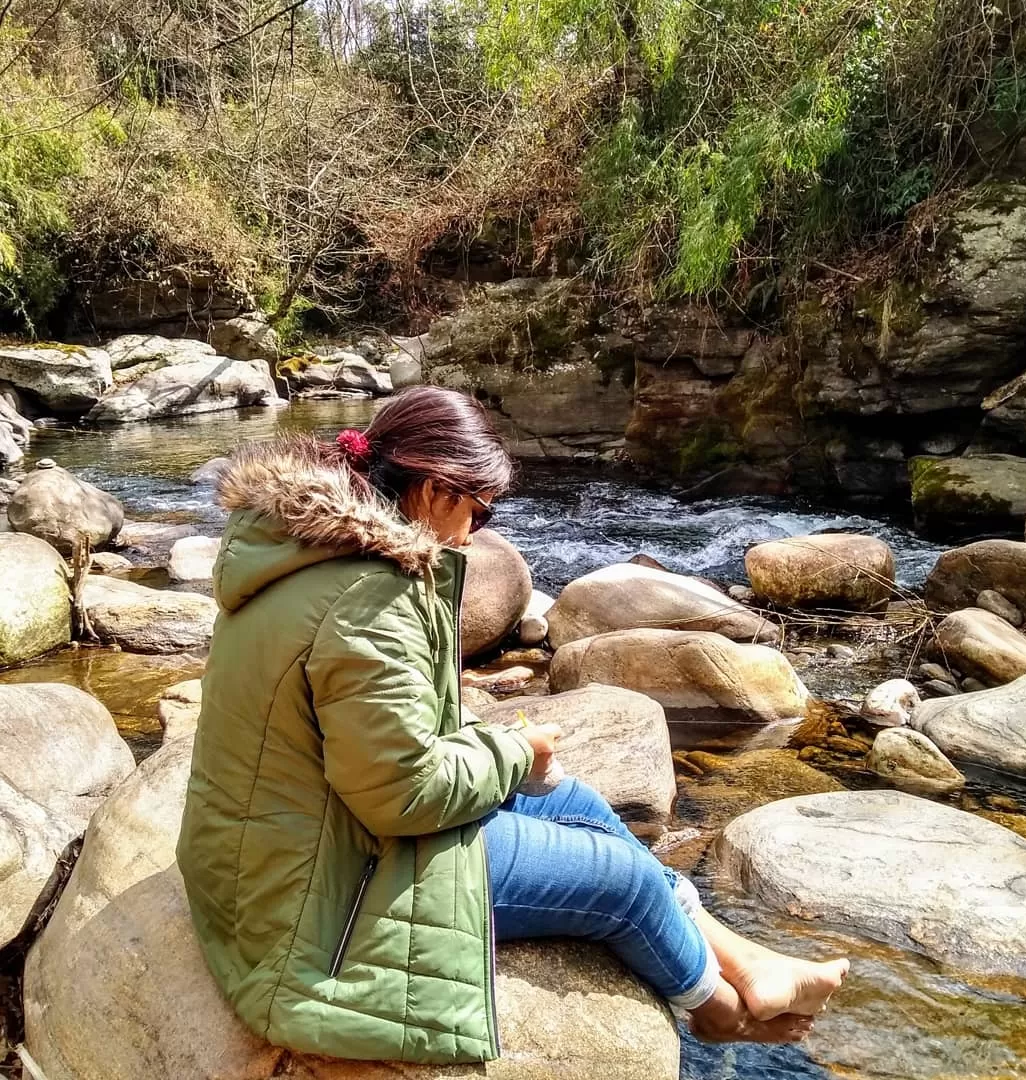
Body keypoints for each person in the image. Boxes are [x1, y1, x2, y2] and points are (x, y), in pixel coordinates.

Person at [176, 385, 848, 1066]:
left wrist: (503, 754)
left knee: (575, 801)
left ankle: (735, 954)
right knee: (621, 878)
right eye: (478, 507)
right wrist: (509, 749)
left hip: (290, 832)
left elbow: (377, 739)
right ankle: (716, 1010)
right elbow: (401, 795)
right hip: (317, 881)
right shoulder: (371, 595)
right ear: (436, 490)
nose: (476, 531)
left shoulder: (304, 553)